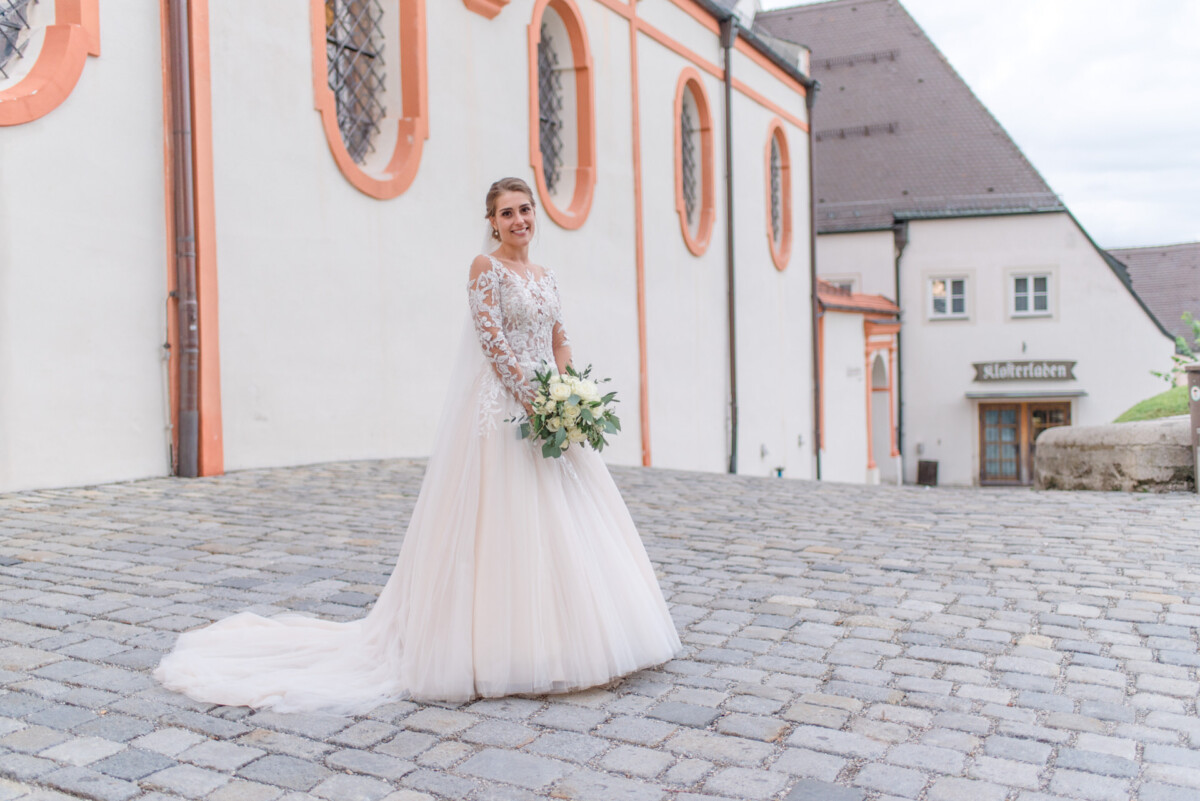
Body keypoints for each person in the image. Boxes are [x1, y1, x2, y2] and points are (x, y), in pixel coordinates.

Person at [154, 177, 681, 713]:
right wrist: (536, 401)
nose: (519, 220)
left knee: (569, 515)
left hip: (550, 404)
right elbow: (494, 343)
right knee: (505, 519)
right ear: (492, 221)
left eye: (525, 210)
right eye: (507, 213)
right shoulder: (484, 269)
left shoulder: (546, 276)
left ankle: (579, 633)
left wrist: (568, 394)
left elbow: (559, 338)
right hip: (504, 410)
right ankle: (501, 644)